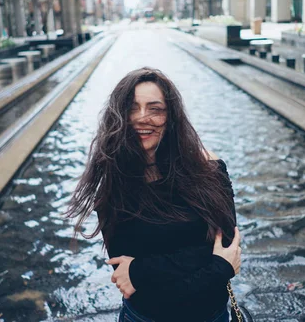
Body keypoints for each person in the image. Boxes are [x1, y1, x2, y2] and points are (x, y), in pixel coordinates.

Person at [67, 67, 241, 322]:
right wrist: (217, 268)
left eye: (155, 109)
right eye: (132, 108)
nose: (142, 117)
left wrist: (141, 270)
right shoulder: (114, 186)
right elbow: (137, 291)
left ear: (170, 117)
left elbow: (228, 245)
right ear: (118, 116)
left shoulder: (209, 168)